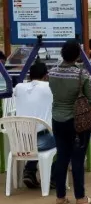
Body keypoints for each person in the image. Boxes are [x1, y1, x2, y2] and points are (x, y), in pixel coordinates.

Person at [48, 39, 91, 204]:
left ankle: (60, 197)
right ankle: (80, 197)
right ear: (78, 55)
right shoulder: (81, 74)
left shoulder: (52, 72)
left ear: (62, 54)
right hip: (77, 122)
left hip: (57, 119)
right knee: (77, 158)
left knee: (62, 157)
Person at [13, 60, 54, 189]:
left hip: (19, 141)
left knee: (34, 137)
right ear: (46, 76)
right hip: (41, 141)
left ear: (30, 75)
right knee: (68, 140)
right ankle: (54, 177)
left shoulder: (19, 87)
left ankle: (29, 171)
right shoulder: (49, 87)